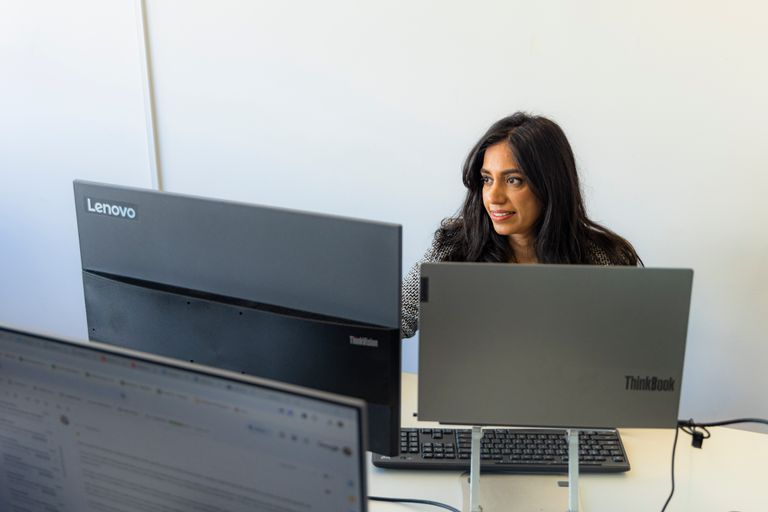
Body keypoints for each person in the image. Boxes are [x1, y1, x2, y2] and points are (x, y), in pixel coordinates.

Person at [401, 112, 641, 338]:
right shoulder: (452, 250)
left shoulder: (605, 261)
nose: (493, 196)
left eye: (513, 180)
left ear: (549, 186)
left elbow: (633, 347)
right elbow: (392, 320)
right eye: (487, 179)